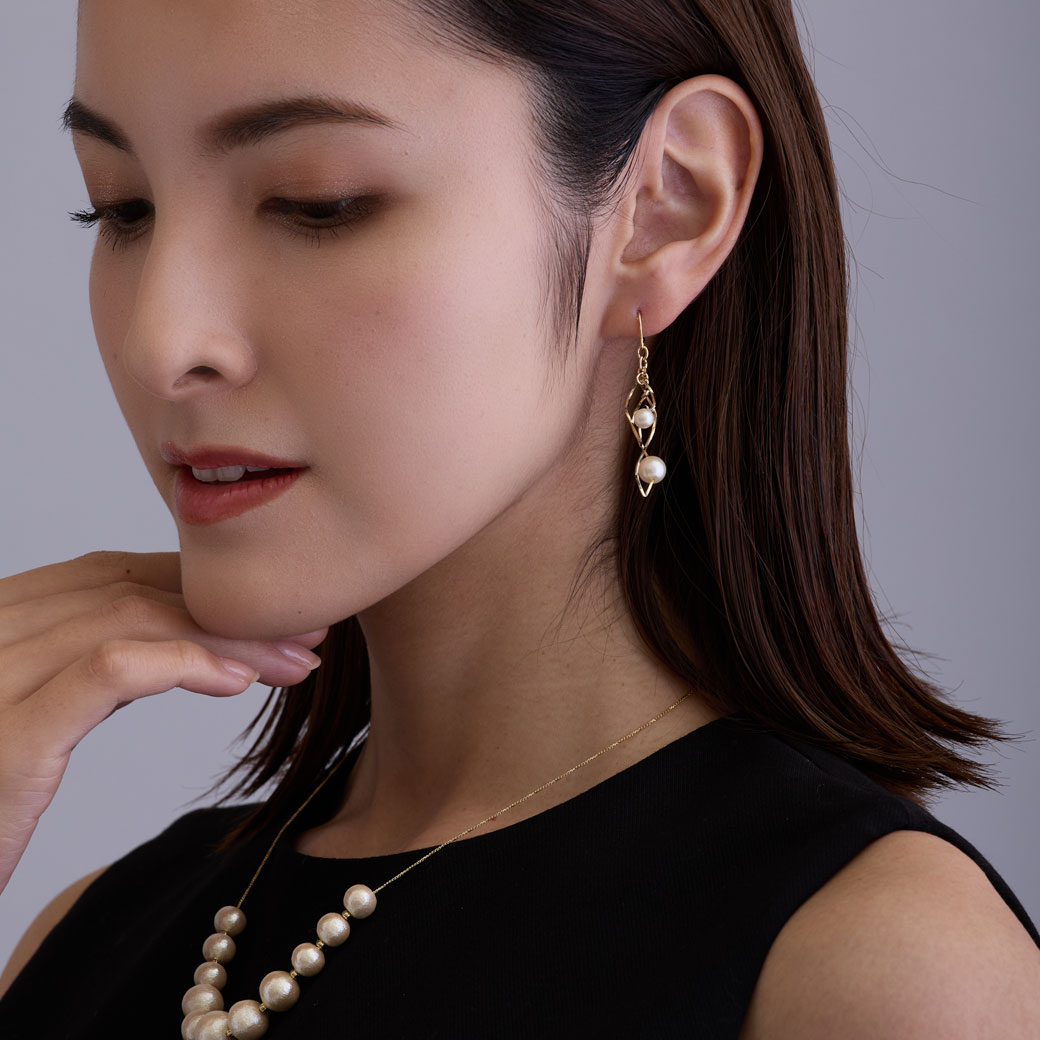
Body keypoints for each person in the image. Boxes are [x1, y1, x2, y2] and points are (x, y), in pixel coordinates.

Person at [1, 0, 1038, 1037]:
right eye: (122, 208)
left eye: (317, 203)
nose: (160, 342)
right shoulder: (87, 939)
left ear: (664, 208)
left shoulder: (877, 973)